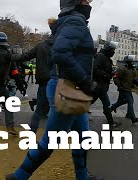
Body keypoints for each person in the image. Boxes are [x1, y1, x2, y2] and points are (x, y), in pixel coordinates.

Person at [6, 0, 103, 179]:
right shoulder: (75, 22)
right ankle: (19, 176)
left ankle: (83, 177)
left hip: (70, 86)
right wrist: (85, 81)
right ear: (75, 2)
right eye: (85, 0)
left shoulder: (67, 22)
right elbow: (60, 53)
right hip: (70, 87)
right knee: (51, 140)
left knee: (84, 137)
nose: (89, 3)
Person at [14, 36, 52, 133]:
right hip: (57, 79)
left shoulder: (41, 45)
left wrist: (12, 57)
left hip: (43, 78)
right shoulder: (63, 45)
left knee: (39, 108)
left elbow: (25, 56)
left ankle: (32, 132)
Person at [91, 41, 122, 129]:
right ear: (108, 49)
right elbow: (95, 68)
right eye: (112, 50)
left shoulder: (107, 58)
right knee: (102, 103)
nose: (113, 52)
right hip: (98, 85)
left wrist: (111, 73)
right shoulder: (100, 56)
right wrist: (105, 75)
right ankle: (111, 123)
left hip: (102, 86)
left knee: (102, 103)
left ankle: (111, 122)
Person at [109, 55, 138, 123]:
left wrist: (136, 80)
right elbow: (115, 77)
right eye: (130, 61)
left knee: (121, 101)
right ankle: (133, 117)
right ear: (127, 62)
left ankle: (111, 109)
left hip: (128, 88)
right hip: (124, 89)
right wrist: (119, 85)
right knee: (130, 101)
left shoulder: (132, 69)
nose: (132, 62)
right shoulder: (122, 69)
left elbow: (133, 78)